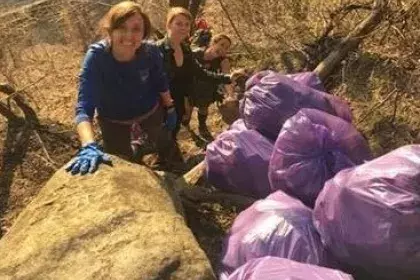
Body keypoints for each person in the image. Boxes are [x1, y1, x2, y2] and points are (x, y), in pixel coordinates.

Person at [66, 1, 178, 175]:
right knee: (123, 163)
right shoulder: (97, 58)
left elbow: (160, 81)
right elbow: (84, 107)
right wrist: (88, 144)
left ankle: (171, 170)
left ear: (144, 33)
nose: (128, 35)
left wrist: (170, 107)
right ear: (110, 30)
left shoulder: (150, 52)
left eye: (136, 29)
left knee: (165, 143)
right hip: (113, 121)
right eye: (121, 28)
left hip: (150, 112)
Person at [156, 7, 237, 140]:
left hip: (179, 101)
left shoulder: (186, 50)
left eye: (187, 24)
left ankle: (169, 153)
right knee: (158, 135)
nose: (183, 27)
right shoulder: (157, 49)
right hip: (159, 103)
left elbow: (201, 73)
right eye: (179, 23)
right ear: (169, 24)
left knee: (172, 133)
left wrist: (228, 78)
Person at [188, 33, 235, 138]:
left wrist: (231, 95)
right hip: (191, 86)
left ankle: (202, 126)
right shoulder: (196, 53)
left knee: (203, 108)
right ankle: (186, 126)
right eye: (222, 45)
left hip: (207, 88)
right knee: (187, 112)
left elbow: (227, 78)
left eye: (226, 48)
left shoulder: (223, 61)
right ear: (213, 43)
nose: (223, 49)